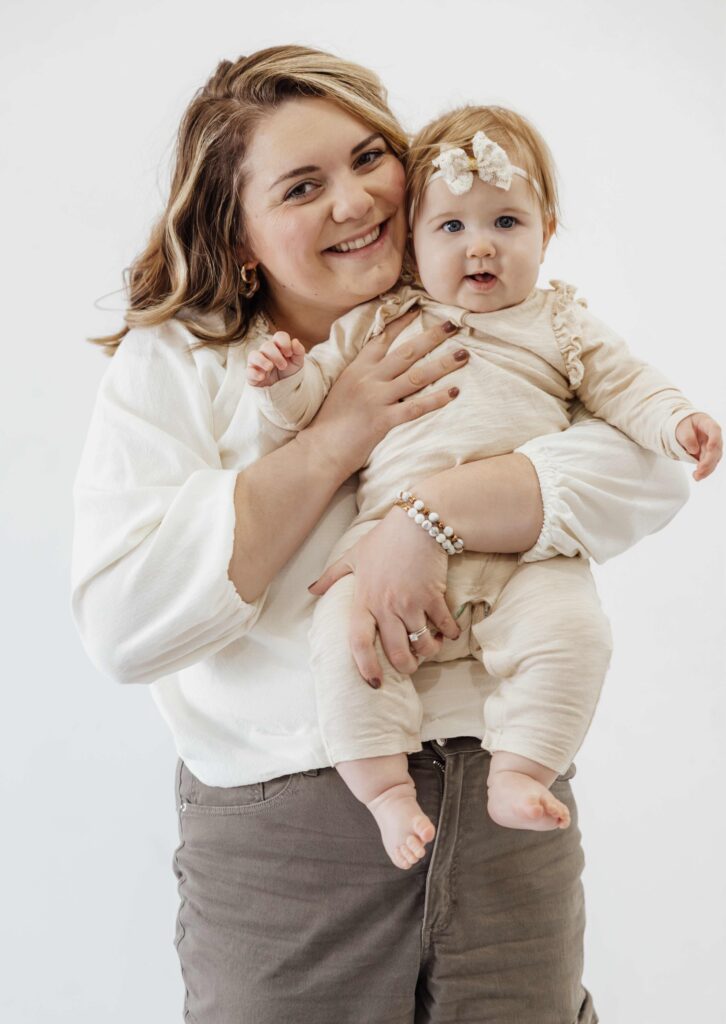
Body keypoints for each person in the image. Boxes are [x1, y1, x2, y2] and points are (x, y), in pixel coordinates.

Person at [71, 46, 692, 1023]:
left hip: (503, 799)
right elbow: (126, 623)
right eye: (304, 185)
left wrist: (422, 519)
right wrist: (334, 439)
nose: (356, 201)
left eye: (369, 158)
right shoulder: (177, 368)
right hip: (293, 836)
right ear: (238, 236)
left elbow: (653, 468)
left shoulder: (491, 309)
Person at [244, 103, 722, 870]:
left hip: (524, 552)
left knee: (575, 635)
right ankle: (383, 791)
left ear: (548, 231)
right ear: (412, 242)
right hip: (380, 549)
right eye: (451, 228)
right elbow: (306, 413)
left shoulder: (560, 323)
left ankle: (522, 768)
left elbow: (625, 385)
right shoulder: (380, 319)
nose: (481, 248)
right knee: (343, 639)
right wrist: (285, 379)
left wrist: (676, 421)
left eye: (505, 221)